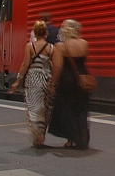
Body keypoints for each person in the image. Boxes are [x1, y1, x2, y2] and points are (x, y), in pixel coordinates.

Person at [9, 20, 54, 147]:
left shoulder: (30, 47)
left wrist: (17, 80)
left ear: (35, 32)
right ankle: (42, 135)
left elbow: (25, 65)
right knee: (45, 108)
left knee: (34, 109)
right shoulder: (51, 48)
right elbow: (54, 65)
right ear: (45, 32)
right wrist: (53, 82)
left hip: (33, 78)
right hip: (46, 78)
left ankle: (37, 136)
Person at [48, 18, 91, 149]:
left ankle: (70, 139)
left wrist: (53, 83)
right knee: (81, 110)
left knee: (66, 109)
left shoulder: (60, 46)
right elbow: (82, 63)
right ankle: (83, 139)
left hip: (66, 80)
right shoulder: (84, 43)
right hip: (82, 78)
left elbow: (58, 67)